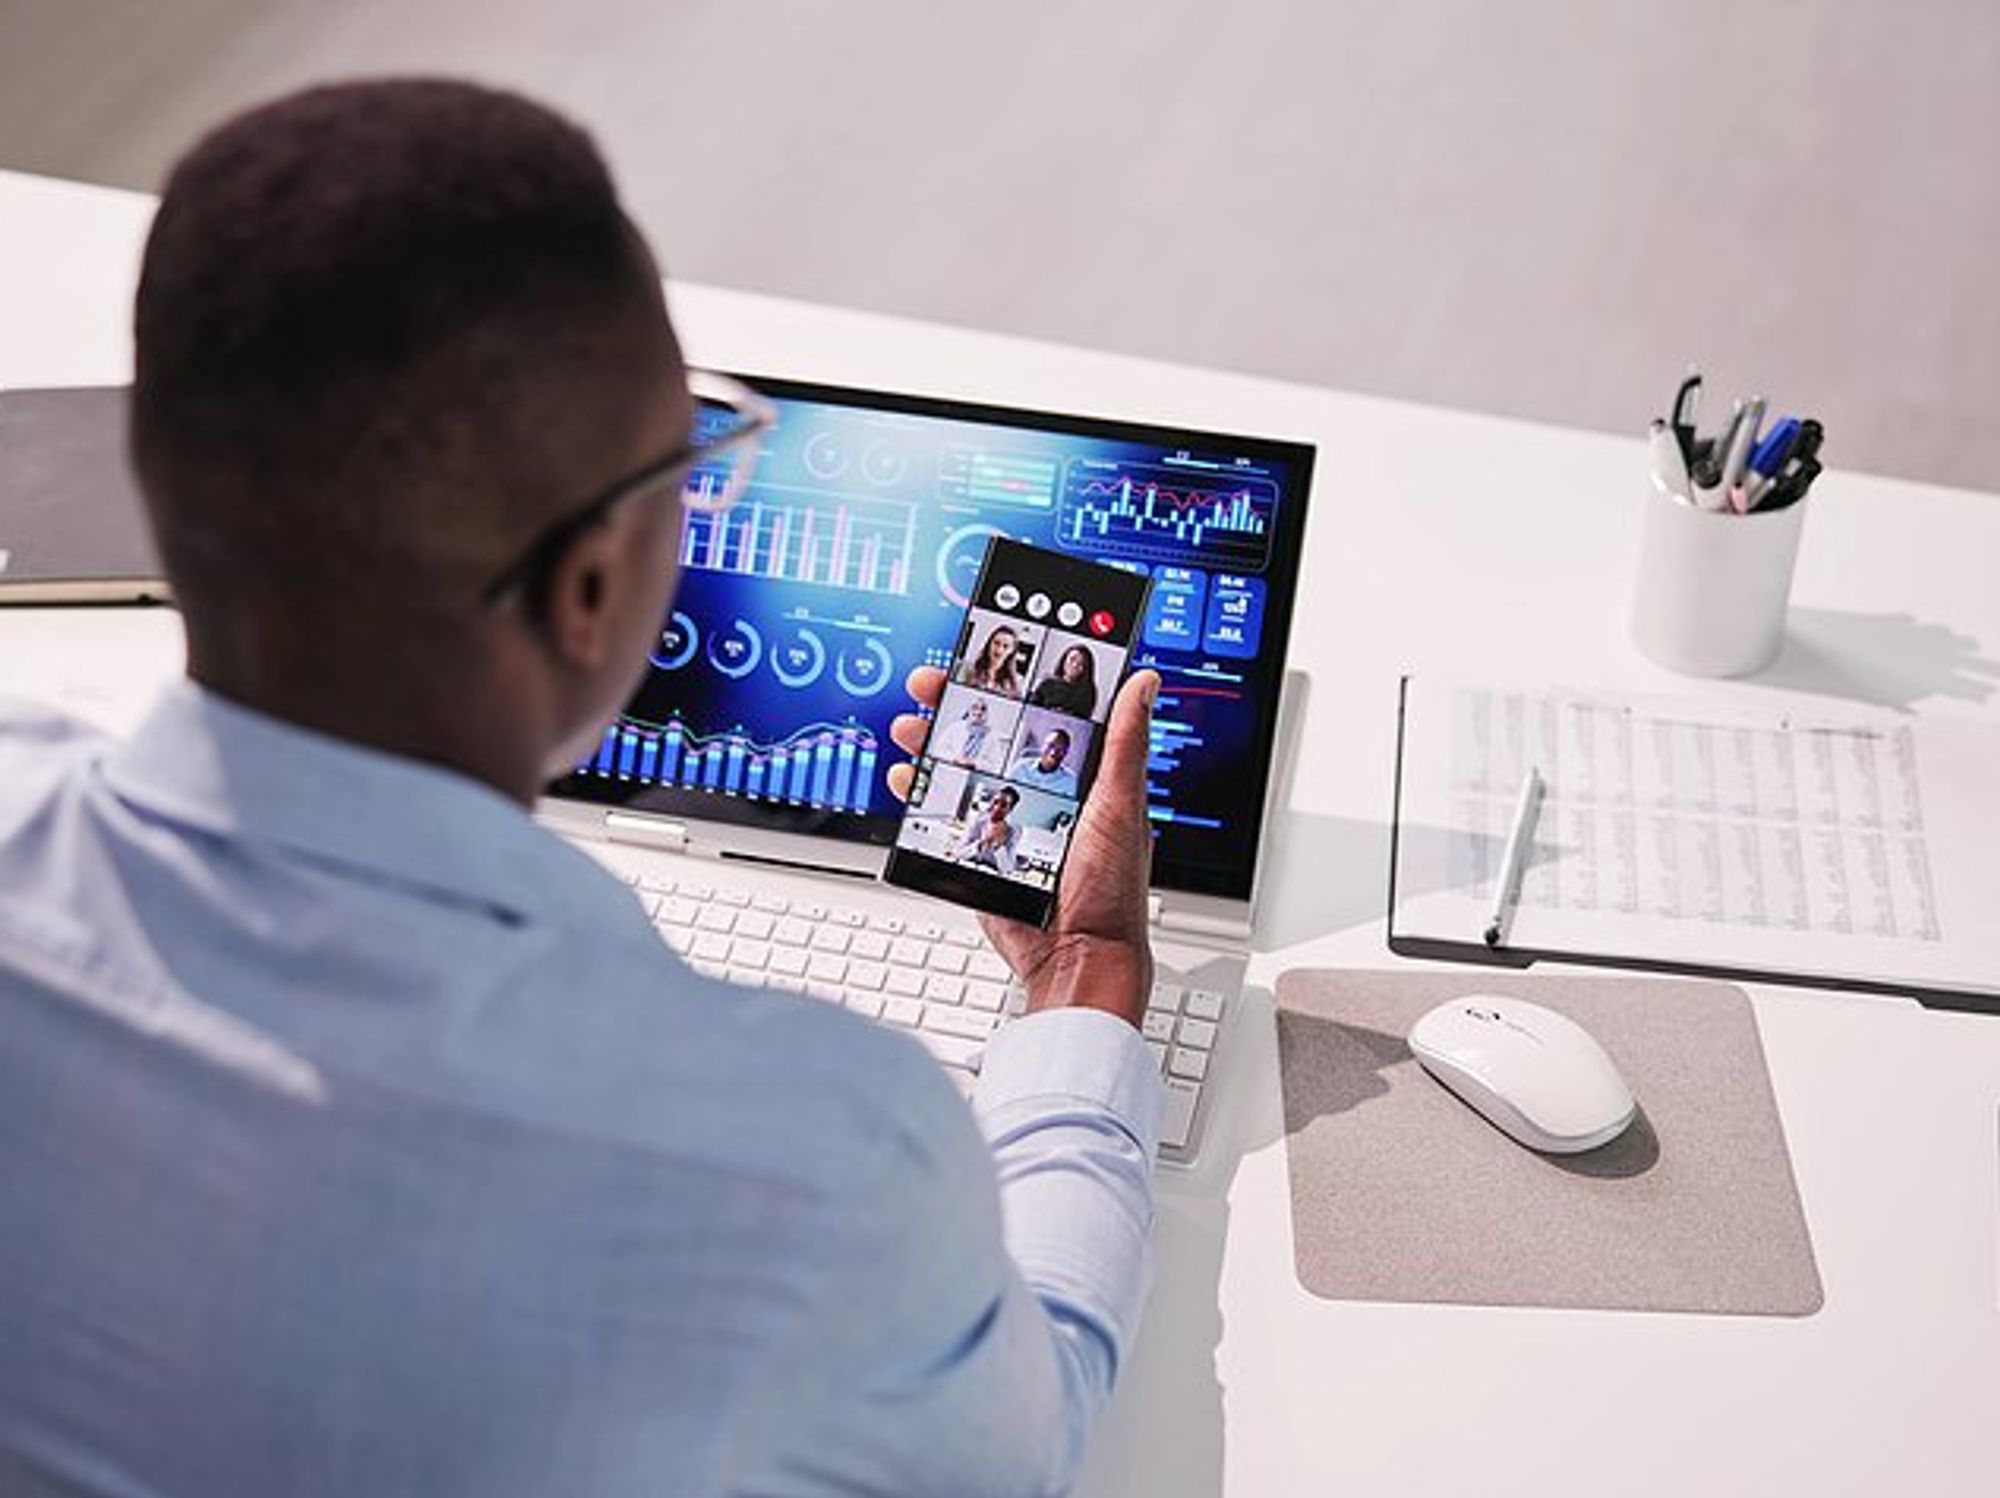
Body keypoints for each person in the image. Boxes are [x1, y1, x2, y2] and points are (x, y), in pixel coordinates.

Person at [0, 81, 1164, 1498]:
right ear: (592, 585)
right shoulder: (816, 1156)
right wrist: (1086, 979)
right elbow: (1027, 1445)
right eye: (695, 459)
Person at [952, 783, 1023, 874]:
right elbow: (958, 853)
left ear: (1010, 809)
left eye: (1003, 805)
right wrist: (983, 842)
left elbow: (1007, 869)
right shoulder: (978, 820)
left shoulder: (1013, 831)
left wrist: (998, 846)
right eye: (995, 802)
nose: (997, 808)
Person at [1028, 642, 1099, 718]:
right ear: (1064, 659)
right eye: (1072, 659)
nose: (1075, 665)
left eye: (1081, 663)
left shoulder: (1088, 691)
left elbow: (1084, 717)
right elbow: (1032, 709)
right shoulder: (1047, 683)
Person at [958, 622, 1025, 697]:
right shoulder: (967, 668)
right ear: (989, 643)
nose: (999, 650)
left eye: (1006, 646)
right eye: (996, 643)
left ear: (1012, 651)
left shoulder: (1017, 682)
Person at [1010, 727, 1079, 796]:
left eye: (1060, 749)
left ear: (1066, 753)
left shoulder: (1070, 781)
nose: (1053, 752)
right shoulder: (1020, 767)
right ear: (1042, 746)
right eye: (1051, 745)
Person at [929, 693, 992, 768]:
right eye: (975, 707)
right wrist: (955, 759)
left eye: (983, 709)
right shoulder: (955, 727)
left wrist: (974, 763)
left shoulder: (991, 735)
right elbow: (938, 750)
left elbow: (994, 764)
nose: (978, 712)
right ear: (968, 710)